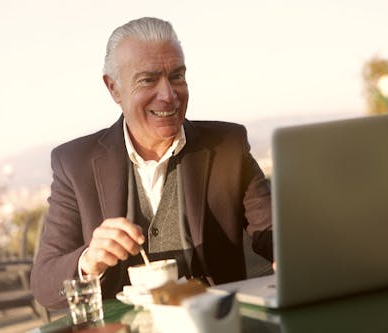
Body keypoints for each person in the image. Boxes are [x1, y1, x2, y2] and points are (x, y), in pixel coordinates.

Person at [31, 17, 273, 309]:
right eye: (148, 80)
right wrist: (89, 260)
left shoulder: (227, 146)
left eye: (177, 76)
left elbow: (274, 232)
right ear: (113, 89)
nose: (168, 95)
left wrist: (292, 253)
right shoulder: (74, 163)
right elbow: (44, 284)